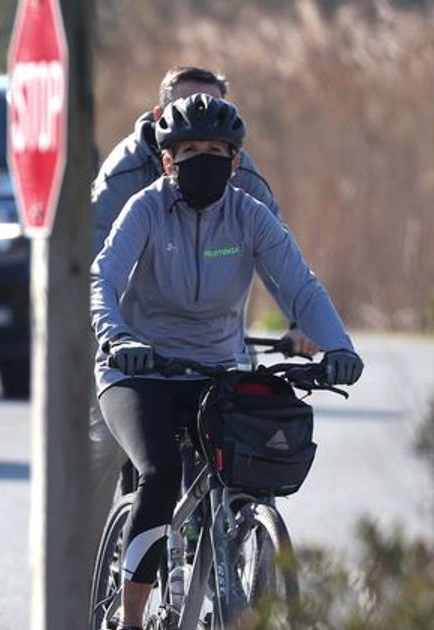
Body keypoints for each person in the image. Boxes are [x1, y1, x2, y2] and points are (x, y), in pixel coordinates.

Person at [90, 93, 364, 629]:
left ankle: (232, 570)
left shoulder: (248, 216)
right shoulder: (145, 208)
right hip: (139, 371)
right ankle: (130, 618)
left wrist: (339, 347)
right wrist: (116, 337)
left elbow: (301, 287)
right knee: (159, 474)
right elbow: (104, 279)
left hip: (216, 370)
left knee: (245, 470)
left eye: (216, 150)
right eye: (190, 150)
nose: (204, 159)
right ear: (167, 160)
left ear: (235, 160)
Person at [85, 65, 318, 543]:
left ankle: (237, 557)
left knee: (248, 444)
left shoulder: (243, 174)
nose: (201, 123)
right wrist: (116, 336)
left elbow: (282, 262)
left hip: (216, 343)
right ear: (160, 117)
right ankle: (83, 562)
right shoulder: (126, 174)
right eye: (185, 111)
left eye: (215, 112)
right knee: (106, 447)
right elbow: (97, 266)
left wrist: (302, 324)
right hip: (136, 340)